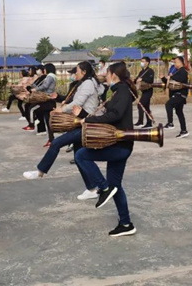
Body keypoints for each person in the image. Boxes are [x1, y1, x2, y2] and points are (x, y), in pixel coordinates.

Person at [74, 62, 137, 237]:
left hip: (120, 145)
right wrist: (85, 116)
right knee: (116, 186)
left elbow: (115, 115)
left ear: (114, 75)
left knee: (81, 155)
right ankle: (126, 224)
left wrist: (89, 120)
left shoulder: (122, 91)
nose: (105, 76)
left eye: (107, 74)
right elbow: (108, 113)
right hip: (119, 144)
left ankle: (103, 187)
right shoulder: (118, 91)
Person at [23, 61, 102, 199]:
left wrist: (61, 110)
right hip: (81, 121)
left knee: (57, 143)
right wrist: (62, 102)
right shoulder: (86, 83)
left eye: (77, 71)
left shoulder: (88, 83)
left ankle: (41, 171)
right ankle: (92, 188)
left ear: (83, 72)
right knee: (79, 157)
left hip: (84, 122)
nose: (75, 74)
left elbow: (77, 103)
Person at [163, 56, 190, 138]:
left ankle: (170, 123)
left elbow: (180, 80)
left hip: (180, 94)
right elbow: (170, 83)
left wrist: (171, 77)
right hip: (176, 93)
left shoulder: (183, 71)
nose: (174, 63)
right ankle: (184, 131)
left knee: (168, 104)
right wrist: (163, 78)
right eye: (174, 62)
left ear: (181, 62)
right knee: (179, 112)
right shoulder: (177, 71)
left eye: (176, 62)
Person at [31, 63, 58, 145]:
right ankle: (51, 139)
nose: (44, 70)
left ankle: (34, 122)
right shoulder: (52, 76)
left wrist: (36, 89)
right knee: (47, 120)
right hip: (48, 99)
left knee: (34, 109)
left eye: (45, 69)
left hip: (48, 99)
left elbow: (45, 86)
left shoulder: (50, 76)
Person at [22, 65, 46, 131]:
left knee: (31, 108)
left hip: (40, 97)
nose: (37, 71)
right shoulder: (39, 77)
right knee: (28, 106)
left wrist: (30, 88)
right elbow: (33, 85)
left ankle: (33, 124)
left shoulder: (42, 77)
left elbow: (37, 86)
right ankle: (32, 123)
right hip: (36, 96)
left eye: (38, 69)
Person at [134, 56, 155, 128]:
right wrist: (135, 80)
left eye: (143, 61)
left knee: (140, 105)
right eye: (141, 61)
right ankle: (149, 123)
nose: (141, 63)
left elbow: (150, 80)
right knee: (146, 107)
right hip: (143, 91)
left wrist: (142, 79)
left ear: (147, 62)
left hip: (148, 91)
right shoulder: (141, 71)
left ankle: (141, 121)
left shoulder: (150, 71)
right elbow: (136, 79)